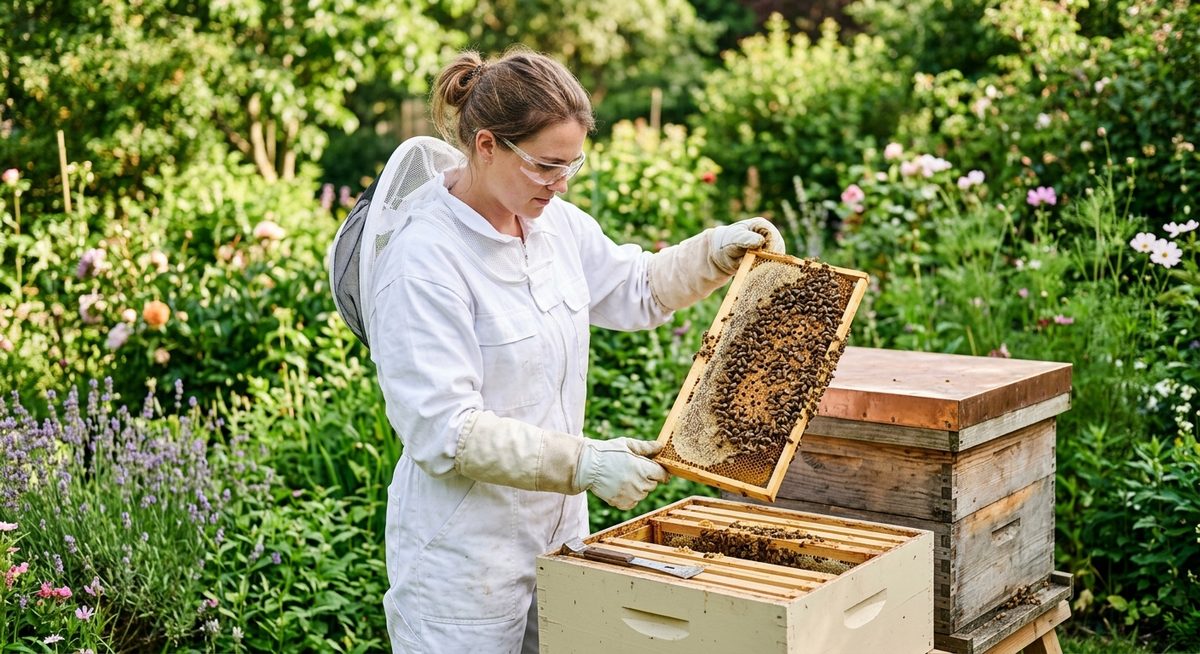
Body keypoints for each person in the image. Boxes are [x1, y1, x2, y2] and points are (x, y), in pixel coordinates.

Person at [370, 47, 784, 653]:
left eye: (571, 164)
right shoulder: (424, 262)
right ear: (486, 145)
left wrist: (714, 251)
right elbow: (446, 429)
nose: (560, 184)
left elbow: (635, 287)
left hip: (559, 536)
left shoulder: (553, 222)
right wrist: (586, 464)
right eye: (545, 165)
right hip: (464, 561)